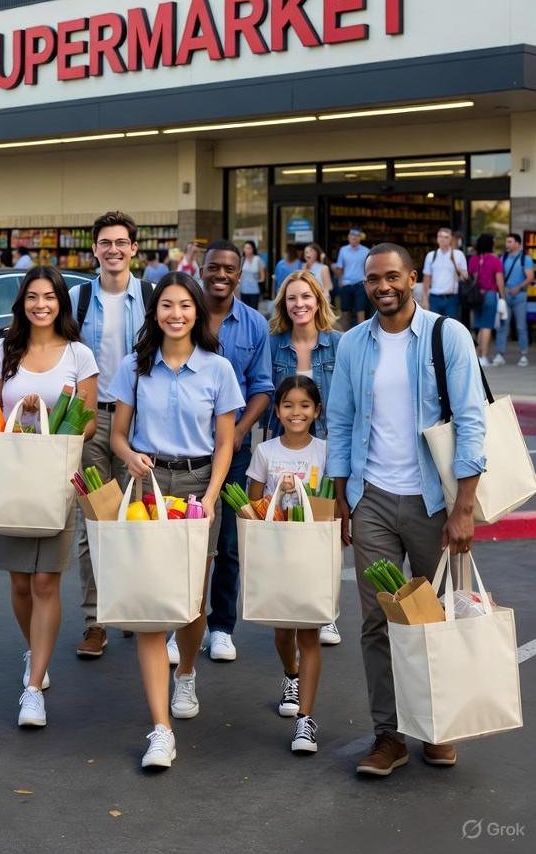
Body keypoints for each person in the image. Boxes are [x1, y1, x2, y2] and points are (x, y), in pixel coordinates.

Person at [326, 242, 486, 776]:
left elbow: (470, 420)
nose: (383, 287)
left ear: (413, 277)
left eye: (393, 277)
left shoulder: (448, 335)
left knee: (435, 619)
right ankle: (388, 736)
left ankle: (438, 728)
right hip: (371, 497)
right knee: (378, 621)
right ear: (364, 283)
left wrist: (464, 507)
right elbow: (342, 422)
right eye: (374, 279)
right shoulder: (353, 344)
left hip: (433, 502)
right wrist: (343, 495)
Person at [110, 272, 243, 770]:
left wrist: (211, 496)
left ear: (197, 312)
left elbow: (226, 442)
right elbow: (119, 434)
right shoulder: (134, 366)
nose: (176, 314)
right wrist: (130, 457)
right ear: (155, 312)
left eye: (184, 305)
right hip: (149, 486)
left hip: (196, 488)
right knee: (149, 603)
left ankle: (186, 670)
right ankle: (160, 728)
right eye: (166, 305)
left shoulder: (218, 369)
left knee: (190, 598)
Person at [0, 265, 98, 728]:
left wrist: (50, 419)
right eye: (33, 296)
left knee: (46, 581)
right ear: (22, 302)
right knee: (19, 582)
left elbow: (88, 422)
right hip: (11, 481)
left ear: (60, 303)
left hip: (55, 478)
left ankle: (34, 686)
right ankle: (35, 650)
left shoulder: (79, 355)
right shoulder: (2, 351)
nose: (41, 305)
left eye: (49, 296)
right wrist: (21, 418)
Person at [168, 239, 273, 663]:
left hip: (235, 452)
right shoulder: (182, 316)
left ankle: (221, 625)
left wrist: (236, 433)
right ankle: (178, 623)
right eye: (214, 267)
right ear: (202, 268)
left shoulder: (254, 325)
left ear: (240, 271)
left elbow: (263, 387)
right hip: (184, 448)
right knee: (179, 539)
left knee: (227, 541)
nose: (222, 275)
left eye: (231, 268)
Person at [68, 210, 153, 658]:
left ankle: (134, 607)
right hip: (91, 422)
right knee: (95, 522)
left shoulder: (153, 297)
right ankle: (95, 620)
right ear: (96, 249)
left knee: (140, 519)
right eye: (106, 243)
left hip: (142, 423)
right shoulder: (79, 299)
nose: (114, 250)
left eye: (122, 242)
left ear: (134, 249)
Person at [247, 375, 327, 755]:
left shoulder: (325, 452)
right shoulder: (265, 452)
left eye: (305, 406)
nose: (297, 413)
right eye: (289, 405)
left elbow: (329, 505)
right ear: (277, 411)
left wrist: (305, 493)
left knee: (309, 634)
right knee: (283, 633)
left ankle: (305, 721)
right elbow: (252, 505)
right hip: (277, 553)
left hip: (310, 554)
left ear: (316, 411)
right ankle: (290, 674)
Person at [267, 269, 342, 646]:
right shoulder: (274, 344)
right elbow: (266, 394)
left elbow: (346, 400)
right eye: (292, 298)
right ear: (284, 304)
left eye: (306, 297)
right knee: (288, 527)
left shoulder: (337, 343)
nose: (300, 304)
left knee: (324, 531)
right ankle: (289, 599)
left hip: (327, 447)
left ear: (318, 301)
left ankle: (325, 610)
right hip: (285, 447)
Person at [494, 232, 534, 367]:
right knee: (503, 326)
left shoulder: (525, 259)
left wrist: (518, 287)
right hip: (505, 296)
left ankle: (523, 355)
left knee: (521, 326)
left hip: (520, 297)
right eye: (507, 242)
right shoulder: (503, 258)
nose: (507, 244)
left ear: (518, 243)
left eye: (510, 242)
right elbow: (498, 276)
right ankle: (500, 354)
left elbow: (530, 277)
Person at [467, 233, 506, 366]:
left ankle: (477, 355)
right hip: (490, 294)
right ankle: (483, 356)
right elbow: (499, 280)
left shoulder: (473, 259)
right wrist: (502, 296)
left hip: (477, 296)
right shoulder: (495, 260)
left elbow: (471, 277)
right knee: (487, 326)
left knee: (479, 326)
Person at [421, 227, 468, 319]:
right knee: (433, 326)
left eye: (446, 237)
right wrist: (425, 299)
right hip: (434, 297)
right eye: (440, 236)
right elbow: (426, 279)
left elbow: (465, 277)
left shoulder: (458, 255)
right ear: (437, 239)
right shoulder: (431, 256)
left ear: (451, 239)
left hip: (452, 298)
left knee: (450, 328)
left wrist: (456, 266)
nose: (442, 239)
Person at [333, 228, 370, 329]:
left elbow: (369, 267)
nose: (354, 238)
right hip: (346, 284)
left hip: (360, 284)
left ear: (360, 238)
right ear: (348, 237)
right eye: (352, 236)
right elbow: (340, 267)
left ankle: (361, 337)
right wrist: (340, 281)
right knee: (345, 313)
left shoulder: (366, 251)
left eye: (356, 236)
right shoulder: (343, 250)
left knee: (360, 312)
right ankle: (345, 337)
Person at [239, 240, 266, 309]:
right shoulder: (242, 259)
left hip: (255, 290)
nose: (246, 250)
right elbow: (239, 274)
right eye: (245, 248)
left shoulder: (257, 259)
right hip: (244, 290)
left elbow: (262, 276)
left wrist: (258, 282)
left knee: (254, 310)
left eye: (248, 248)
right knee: (244, 310)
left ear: (253, 249)